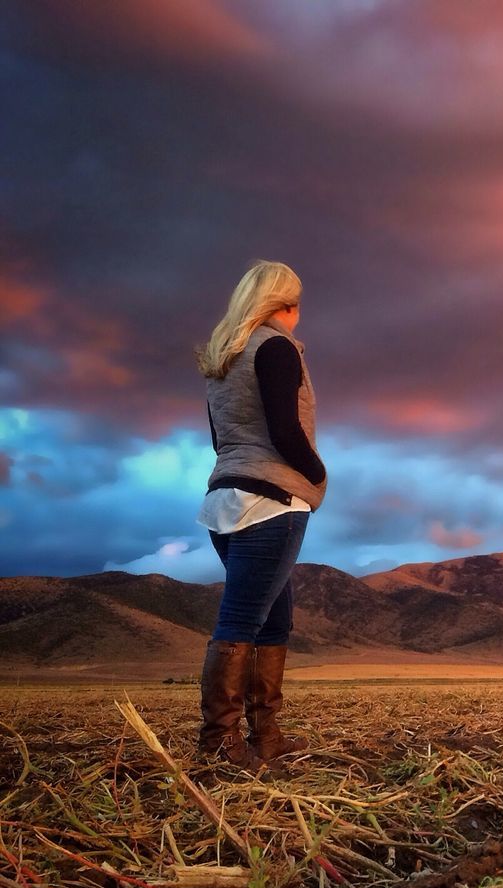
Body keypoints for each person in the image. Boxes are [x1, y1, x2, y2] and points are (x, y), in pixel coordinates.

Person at [194, 259, 326, 772]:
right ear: (284, 306)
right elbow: (285, 431)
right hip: (271, 502)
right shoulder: (276, 347)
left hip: (225, 497)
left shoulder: (223, 356)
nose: (297, 318)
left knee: (275, 619)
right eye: (296, 307)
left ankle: (265, 737)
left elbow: (219, 438)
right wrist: (317, 476)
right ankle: (218, 745)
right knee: (243, 621)